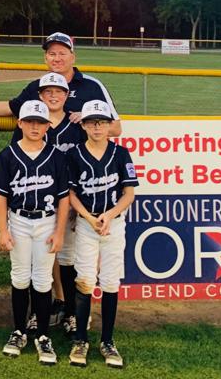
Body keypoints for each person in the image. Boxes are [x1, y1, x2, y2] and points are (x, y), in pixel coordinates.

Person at [0, 31, 121, 337]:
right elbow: (14, 107)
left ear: (73, 55)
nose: (56, 58)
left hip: (81, 192)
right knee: (50, 254)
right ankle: (54, 307)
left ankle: (70, 311)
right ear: (45, 58)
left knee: (68, 257)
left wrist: (87, 116)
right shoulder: (38, 87)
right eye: (51, 54)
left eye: (62, 53)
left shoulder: (91, 86)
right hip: (46, 194)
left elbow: (115, 127)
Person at [0, 100, 70, 366]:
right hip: (19, 221)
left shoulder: (56, 156)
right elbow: (1, 196)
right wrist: (2, 230)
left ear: (48, 126)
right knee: (20, 277)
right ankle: (19, 331)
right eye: (30, 121)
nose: (35, 126)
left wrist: (59, 232)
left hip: (46, 221)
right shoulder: (9, 155)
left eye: (40, 122)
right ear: (20, 123)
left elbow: (64, 199)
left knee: (43, 280)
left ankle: (43, 335)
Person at [67, 100, 138, 369]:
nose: (97, 126)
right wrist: (88, 217)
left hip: (113, 224)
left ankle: (107, 340)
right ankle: (81, 340)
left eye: (102, 122)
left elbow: (129, 193)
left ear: (110, 125)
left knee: (109, 282)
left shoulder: (121, 154)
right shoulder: (74, 155)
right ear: (83, 125)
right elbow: (72, 194)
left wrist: (108, 215)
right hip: (87, 225)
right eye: (91, 122)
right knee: (85, 280)